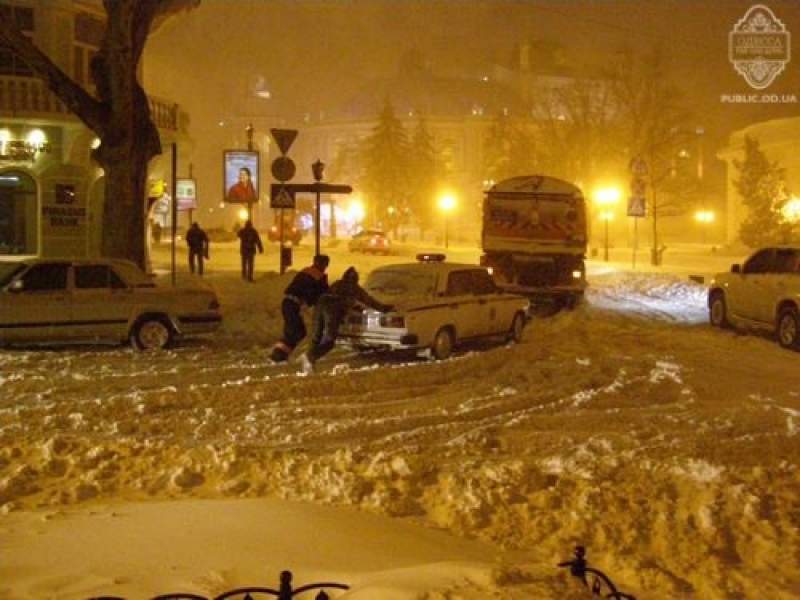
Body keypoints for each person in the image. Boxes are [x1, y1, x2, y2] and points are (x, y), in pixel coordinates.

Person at [299, 266, 392, 373]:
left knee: (317, 335)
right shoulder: (354, 287)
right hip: (332, 308)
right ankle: (310, 357)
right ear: (355, 279)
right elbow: (369, 301)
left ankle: (309, 361)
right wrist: (384, 308)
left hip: (320, 304)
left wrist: (351, 305)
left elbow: (342, 297)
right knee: (330, 340)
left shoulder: (337, 283)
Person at [269, 254, 330, 363]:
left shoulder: (306, 271)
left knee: (295, 331)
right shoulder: (320, 277)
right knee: (297, 332)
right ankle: (278, 355)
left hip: (287, 303)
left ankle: (280, 354)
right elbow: (323, 295)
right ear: (325, 264)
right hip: (294, 305)